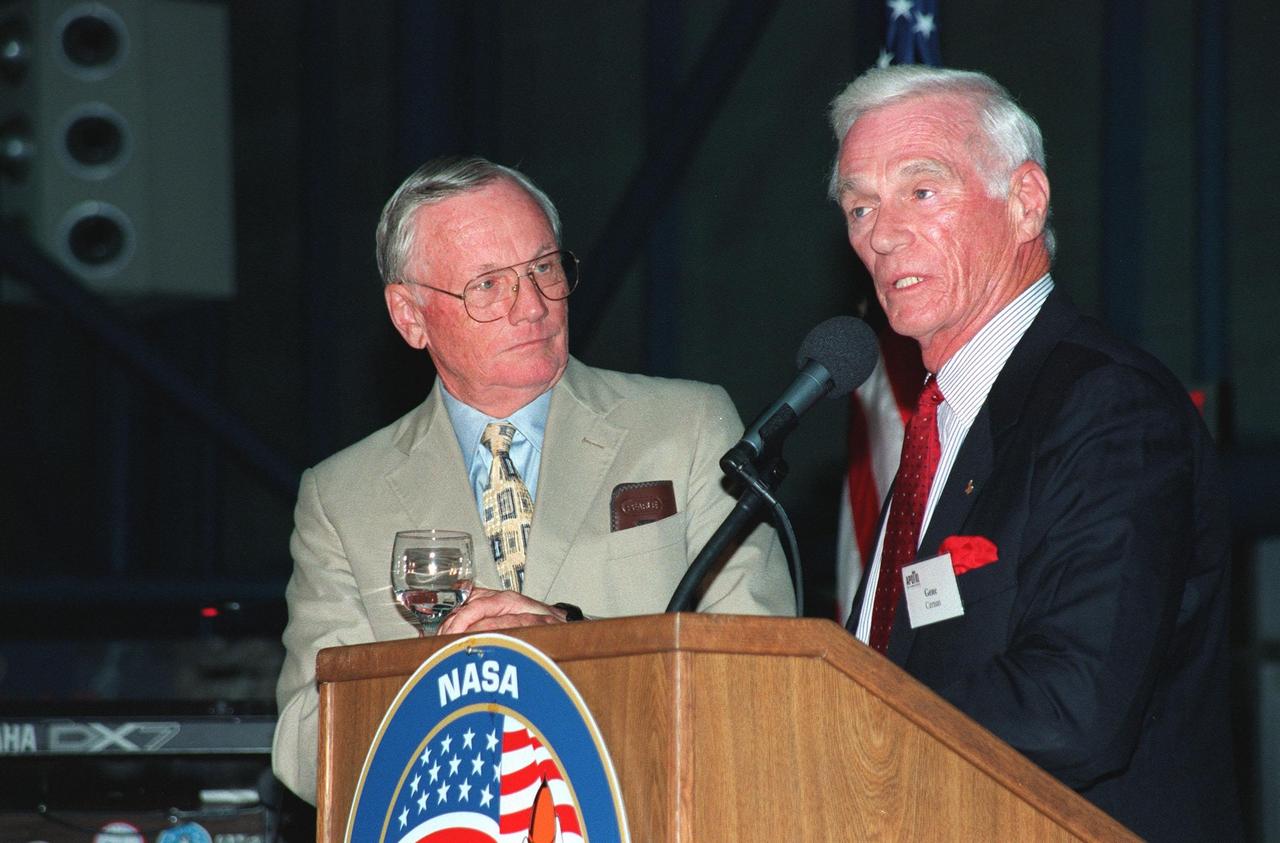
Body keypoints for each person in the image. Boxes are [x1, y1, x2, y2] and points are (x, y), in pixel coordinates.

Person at [271, 156, 794, 804]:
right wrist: (460, 687)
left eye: (544, 267)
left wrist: (571, 645)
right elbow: (303, 741)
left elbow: (764, 670)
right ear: (409, 315)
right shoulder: (342, 497)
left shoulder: (686, 426)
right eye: (488, 284)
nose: (534, 305)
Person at [831, 66, 1240, 840]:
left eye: (920, 191)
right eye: (859, 205)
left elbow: (1071, 710)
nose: (880, 234)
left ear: (1026, 202)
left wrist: (832, 719)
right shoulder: (940, 424)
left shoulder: (1109, 408)